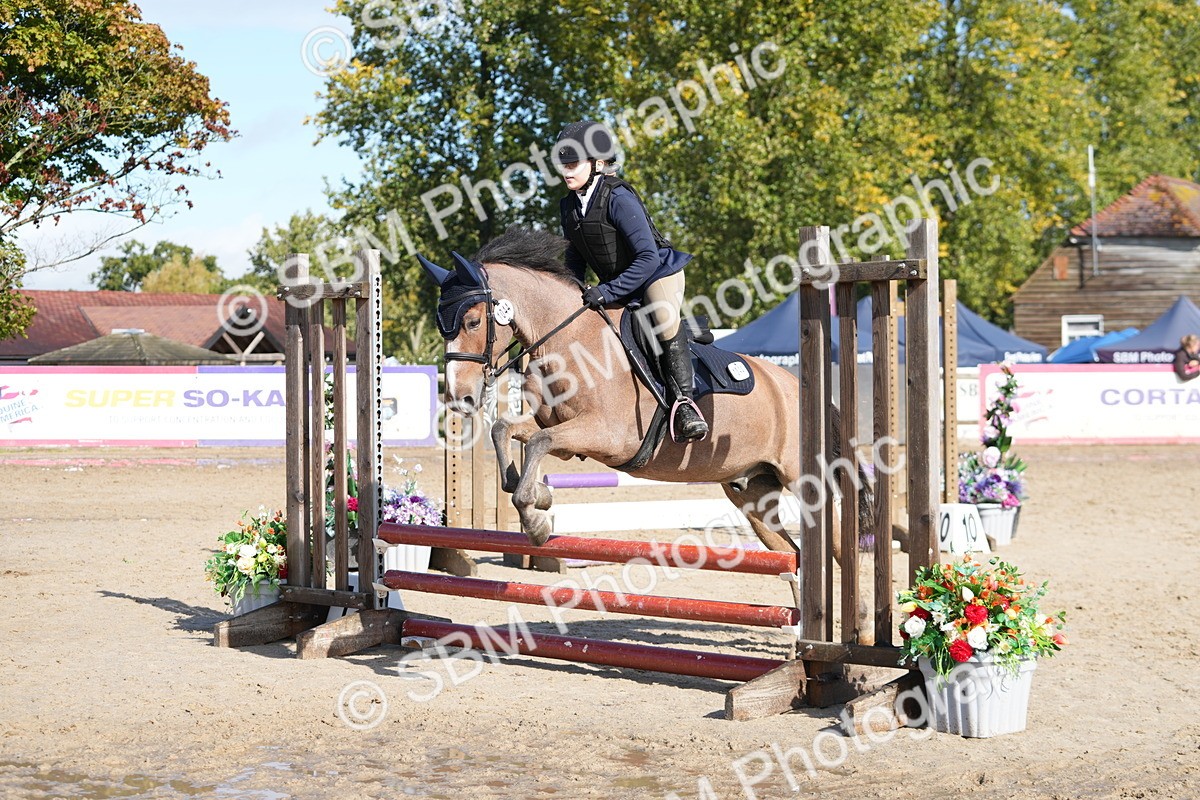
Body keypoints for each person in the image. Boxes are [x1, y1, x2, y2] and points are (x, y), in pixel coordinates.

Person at [553, 120, 708, 442]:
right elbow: (575, 259)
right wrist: (569, 291)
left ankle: (684, 403)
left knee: (662, 319)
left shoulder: (618, 196)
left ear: (596, 164)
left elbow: (647, 258)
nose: (566, 171)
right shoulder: (568, 206)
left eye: (573, 164)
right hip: (618, 281)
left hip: (656, 275)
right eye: (562, 165)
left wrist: (607, 290)